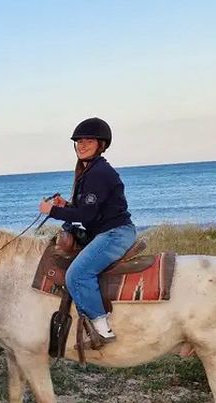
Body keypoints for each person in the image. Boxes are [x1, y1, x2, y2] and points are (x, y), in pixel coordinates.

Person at [39, 117, 136, 343]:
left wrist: (51, 211)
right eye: (78, 141)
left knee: (77, 274)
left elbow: (87, 216)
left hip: (115, 233)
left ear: (100, 144)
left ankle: (102, 328)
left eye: (88, 141)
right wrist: (66, 206)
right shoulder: (90, 171)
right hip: (109, 231)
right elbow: (89, 209)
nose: (81, 145)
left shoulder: (98, 173)